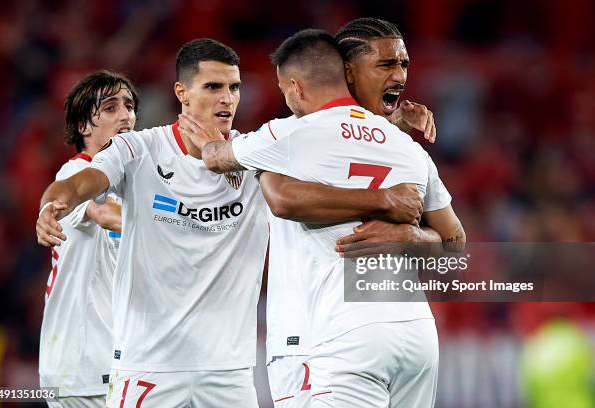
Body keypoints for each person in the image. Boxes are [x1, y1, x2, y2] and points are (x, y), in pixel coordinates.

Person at [35, 38, 424, 408]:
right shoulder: (140, 149)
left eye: (235, 87)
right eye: (213, 86)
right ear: (182, 93)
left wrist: (391, 125)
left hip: (230, 373)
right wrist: (53, 205)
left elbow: (337, 149)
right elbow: (80, 181)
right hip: (148, 364)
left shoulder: (256, 154)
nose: (227, 98)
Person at [181, 28, 465, 408]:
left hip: (341, 331)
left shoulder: (288, 135)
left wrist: (208, 139)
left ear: (295, 88)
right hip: (416, 333)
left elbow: (231, 167)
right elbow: (454, 242)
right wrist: (408, 234)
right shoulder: (407, 146)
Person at [36, 70, 137, 407]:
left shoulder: (133, 183)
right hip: (80, 365)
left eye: (129, 106)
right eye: (110, 109)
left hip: (114, 362)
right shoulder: (77, 172)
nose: (125, 115)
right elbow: (103, 213)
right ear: (84, 127)